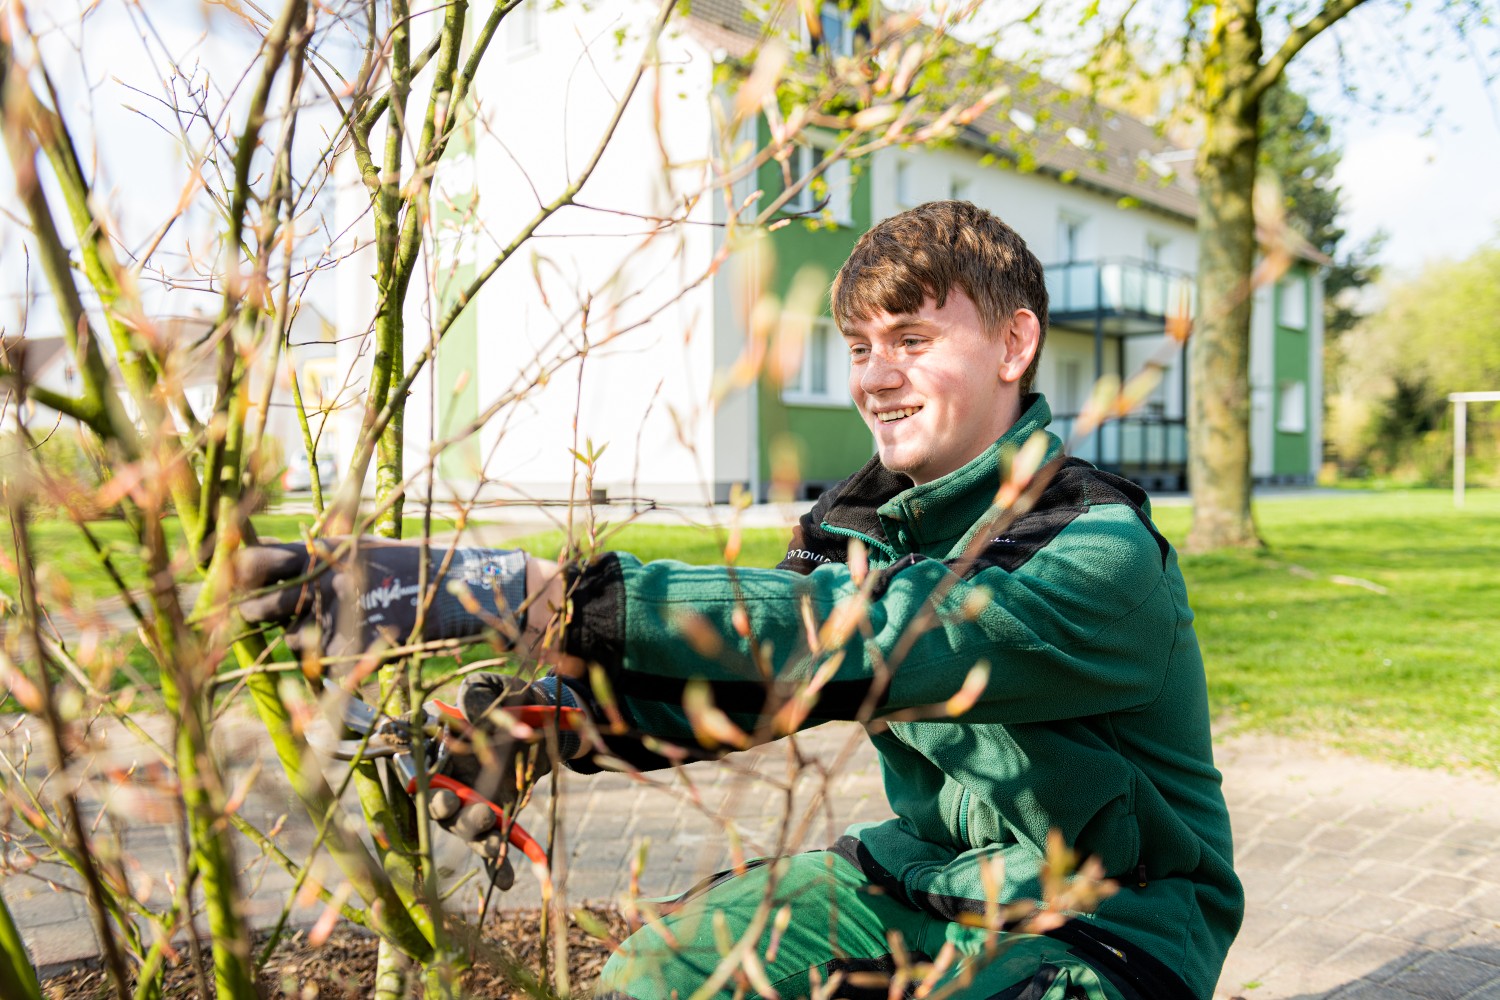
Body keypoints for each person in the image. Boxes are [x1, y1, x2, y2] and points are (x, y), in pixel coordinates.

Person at [238, 201, 1243, 1000]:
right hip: (925, 877)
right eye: (856, 347)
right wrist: (561, 721)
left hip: (1109, 922)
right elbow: (767, 678)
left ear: (1014, 343)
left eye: (911, 338)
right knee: (660, 974)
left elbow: (878, 642)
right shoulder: (864, 525)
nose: (875, 377)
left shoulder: (1098, 547)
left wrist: (531, 594)